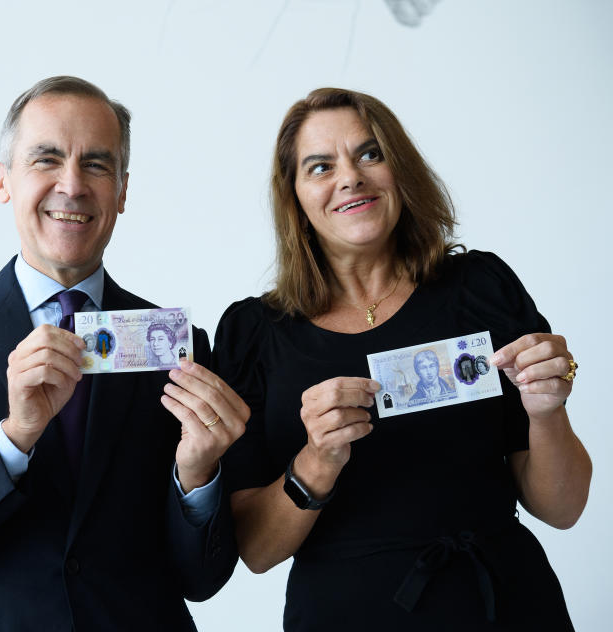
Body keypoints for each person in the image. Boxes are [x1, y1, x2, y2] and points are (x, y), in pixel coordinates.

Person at [0, 76, 248, 630]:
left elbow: (201, 581)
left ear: (122, 190)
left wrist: (198, 475)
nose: (72, 184)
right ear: (3, 181)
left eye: (96, 165)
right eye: (46, 159)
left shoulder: (177, 348)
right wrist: (12, 439)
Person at [214, 88, 591, 630]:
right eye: (321, 167)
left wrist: (547, 411)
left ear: (400, 169)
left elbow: (564, 508)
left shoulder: (481, 287)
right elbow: (255, 550)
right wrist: (317, 461)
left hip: (506, 606)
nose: (350, 178)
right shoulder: (254, 333)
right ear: (294, 196)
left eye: (370, 154)